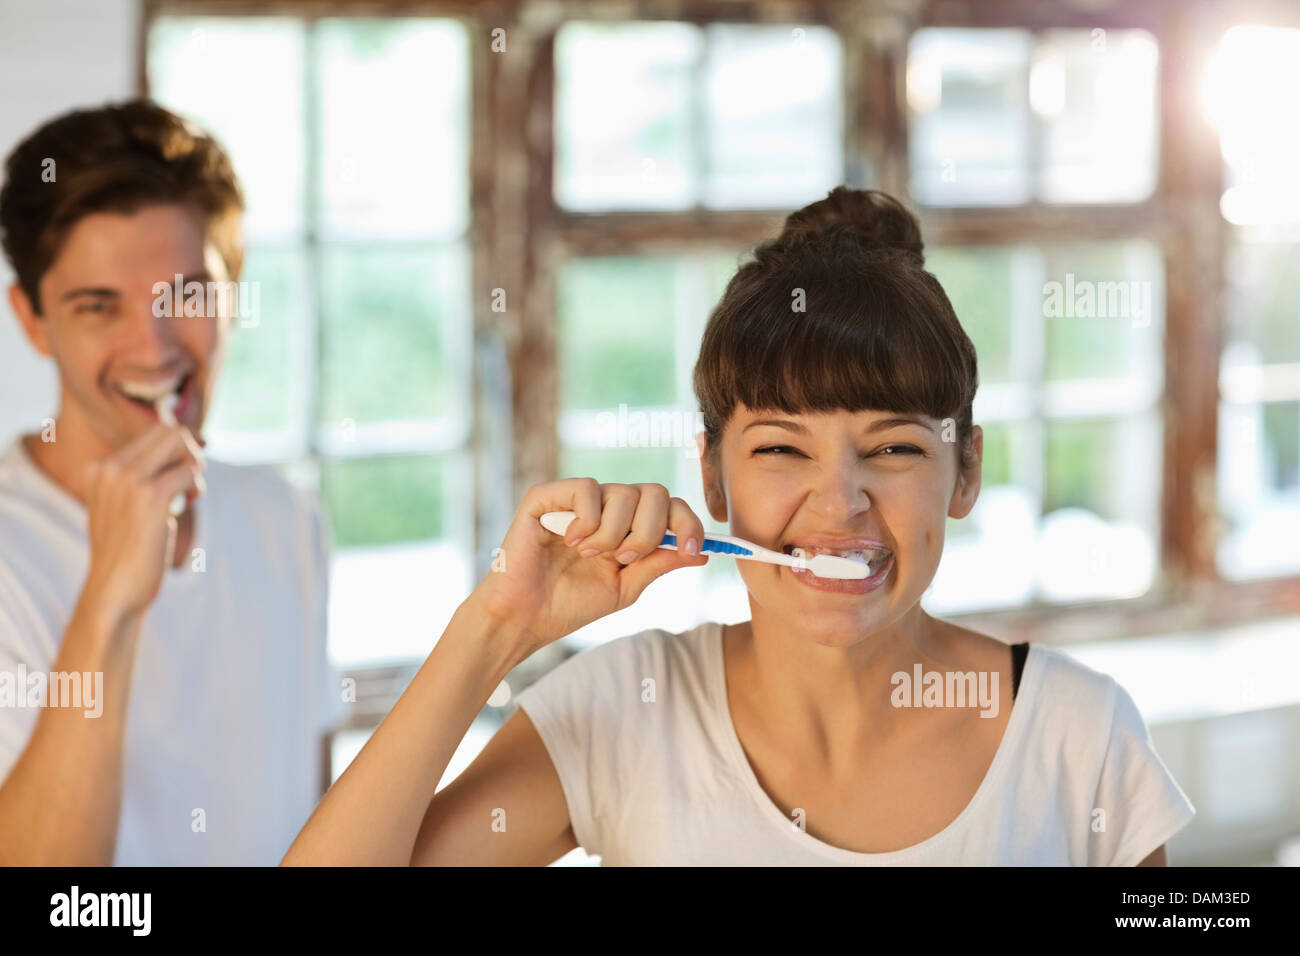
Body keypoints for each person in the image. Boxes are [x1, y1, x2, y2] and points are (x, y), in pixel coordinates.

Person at [283, 187, 1194, 866]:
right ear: (713, 477)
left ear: (968, 471)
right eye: (783, 451)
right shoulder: (625, 710)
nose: (840, 503)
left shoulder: (1082, 737)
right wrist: (497, 629)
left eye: (894, 450)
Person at [0, 100, 343, 865]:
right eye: (98, 306)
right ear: (32, 320)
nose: (152, 346)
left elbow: (319, 822)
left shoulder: (285, 517)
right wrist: (109, 600)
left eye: (186, 295)